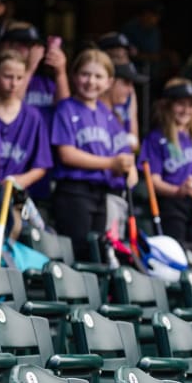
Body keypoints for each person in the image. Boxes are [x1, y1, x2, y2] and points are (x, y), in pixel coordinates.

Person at [52, 49, 137, 263]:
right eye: (85, 74)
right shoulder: (66, 108)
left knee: (99, 255)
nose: (91, 82)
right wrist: (110, 163)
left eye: (98, 76)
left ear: (109, 82)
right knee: (78, 253)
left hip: (102, 195)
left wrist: (130, 166)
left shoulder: (108, 115)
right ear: (73, 76)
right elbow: (66, 154)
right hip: (73, 193)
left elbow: (124, 153)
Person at [138, 78, 192, 252]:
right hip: (173, 204)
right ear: (168, 105)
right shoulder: (156, 138)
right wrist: (178, 191)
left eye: (191, 105)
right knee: (177, 251)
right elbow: (152, 180)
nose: (187, 110)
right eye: (181, 104)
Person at [0, 49, 51, 221]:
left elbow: (41, 166)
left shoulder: (33, 117)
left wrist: (18, 181)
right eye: (8, 76)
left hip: (15, 197)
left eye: (19, 78)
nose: (14, 83)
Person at [0, 23, 67, 119]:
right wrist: (29, 68)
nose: (32, 50)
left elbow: (64, 108)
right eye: (26, 44)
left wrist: (60, 72)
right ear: (8, 45)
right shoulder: (1, 77)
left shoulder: (44, 82)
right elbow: (11, 101)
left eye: (35, 45)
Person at [109, 61, 144, 147]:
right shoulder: (95, 112)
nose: (130, 90)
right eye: (126, 83)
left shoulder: (119, 111)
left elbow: (135, 147)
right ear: (109, 82)